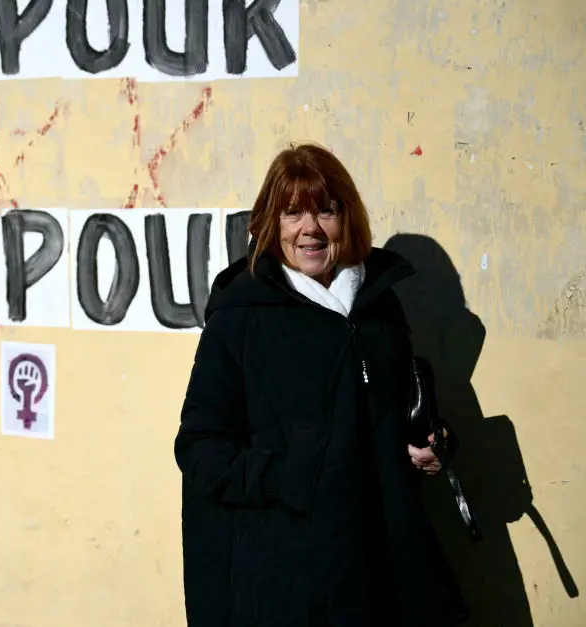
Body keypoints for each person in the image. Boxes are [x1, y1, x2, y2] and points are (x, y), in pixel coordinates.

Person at [174, 143, 469, 626]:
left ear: (346, 217)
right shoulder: (241, 319)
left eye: (325, 211)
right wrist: (291, 477)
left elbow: (384, 421)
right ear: (272, 224)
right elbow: (199, 448)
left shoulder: (378, 309)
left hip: (381, 574)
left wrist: (429, 446)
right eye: (292, 213)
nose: (310, 228)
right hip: (287, 585)